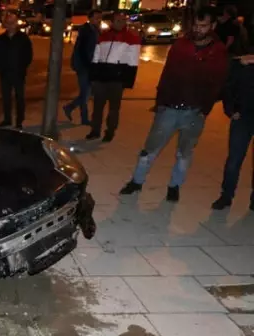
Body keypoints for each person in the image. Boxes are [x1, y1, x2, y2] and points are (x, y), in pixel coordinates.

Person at [119, 7, 229, 203]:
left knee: (184, 153)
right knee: (150, 149)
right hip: (169, 108)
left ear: (212, 26)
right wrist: (160, 102)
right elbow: (167, 74)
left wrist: (205, 109)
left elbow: (218, 82)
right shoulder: (180, 45)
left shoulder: (218, 51)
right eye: (196, 25)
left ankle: (174, 186)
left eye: (203, 26)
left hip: (194, 112)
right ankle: (137, 181)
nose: (198, 29)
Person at [87, 11, 140, 143]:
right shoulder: (103, 36)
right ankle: (95, 130)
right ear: (112, 22)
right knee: (97, 107)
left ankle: (110, 131)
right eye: (118, 20)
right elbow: (96, 56)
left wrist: (127, 81)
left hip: (117, 78)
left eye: (123, 21)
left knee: (114, 108)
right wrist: (93, 76)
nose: (121, 23)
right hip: (101, 77)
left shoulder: (131, 38)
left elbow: (133, 61)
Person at [211, 53, 254, 211]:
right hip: (242, 117)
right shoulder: (240, 63)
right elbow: (228, 85)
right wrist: (231, 109)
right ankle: (226, 195)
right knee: (234, 160)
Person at [0, 12, 33, 128]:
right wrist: (0, 69)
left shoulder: (23, 38)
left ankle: (19, 120)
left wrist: (22, 68)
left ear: (16, 23)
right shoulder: (1, 39)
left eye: (12, 22)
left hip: (18, 73)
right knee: (6, 98)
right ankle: (7, 119)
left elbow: (28, 55)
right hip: (5, 74)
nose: (10, 25)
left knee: (19, 98)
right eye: (8, 22)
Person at [63, 9, 102, 126]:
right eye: (96, 18)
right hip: (84, 66)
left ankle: (70, 108)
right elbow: (83, 50)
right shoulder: (85, 30)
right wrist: (89, 65)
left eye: (100, 18)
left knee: (87, 93)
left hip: (89, 65)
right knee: (85, 93)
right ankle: (83, 118)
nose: (99, 20)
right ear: (90, 18)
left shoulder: (95, 30)